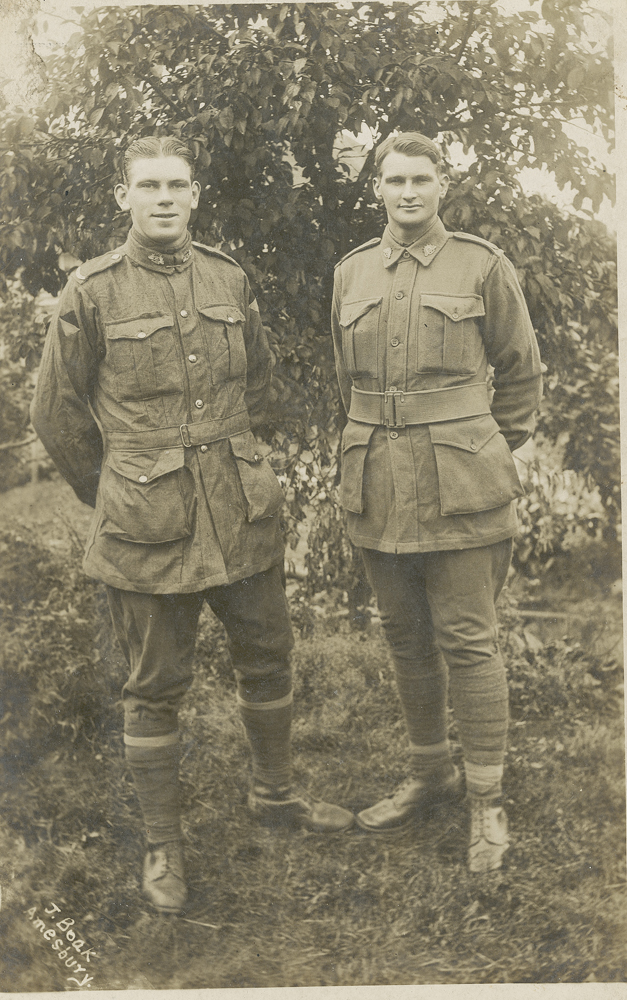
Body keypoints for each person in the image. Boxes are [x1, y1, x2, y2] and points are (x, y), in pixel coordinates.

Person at [31, 136, 354, 916]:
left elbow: (262, 382)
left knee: (269, 655)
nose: (165, 198)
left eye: (177, 184)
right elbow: (56, 412)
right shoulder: (92, 292)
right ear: (125, 198)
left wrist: (245, 459)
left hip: (240, 512)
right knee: (152, 686)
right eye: (149, 185)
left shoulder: (226, 275)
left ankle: (274, 794)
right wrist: (114, 489)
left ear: (196, 194)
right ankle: (163, 844)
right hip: (147, 522)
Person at [331, 132, 542, 872]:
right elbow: (346, 381)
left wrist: (477, 451)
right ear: (377, 188)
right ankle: (429, 773)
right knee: (402, 634)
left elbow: (519, 375)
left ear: (442, 185)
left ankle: (486, 798)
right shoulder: (351, 271)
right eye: (394, 179)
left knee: (468, 638)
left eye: (421, 178)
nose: (407, 191)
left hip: (461, 487)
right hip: (375, 482)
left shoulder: (482, 265)